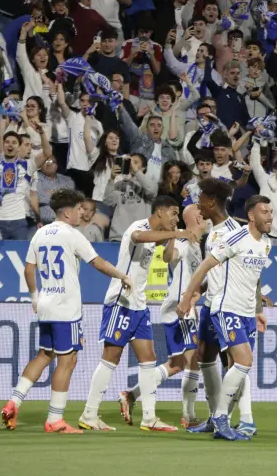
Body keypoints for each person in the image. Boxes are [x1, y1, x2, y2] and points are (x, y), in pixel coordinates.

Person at [1, 190, 133, 434]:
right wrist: (121, 275)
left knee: (43, 355)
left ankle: (13, 402)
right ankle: (55, 419)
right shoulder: (72, 235)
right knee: (67, 360)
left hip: (46, 303)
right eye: (79, 209)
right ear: (67, 212)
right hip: (66, 307)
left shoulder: (39, 234)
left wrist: (34, 296)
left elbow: (29, 269)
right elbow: (97, 262)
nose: (82, 213)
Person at [80, 195, 194, 432]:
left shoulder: (160, 235)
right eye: (173, 213)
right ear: (160, 212)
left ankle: (149, 418)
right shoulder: (139, 227)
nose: (176, 217)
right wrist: (174, 233)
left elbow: (165, 256)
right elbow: (138, 237)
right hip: (120, 301)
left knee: (149, 359)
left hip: (139, 306)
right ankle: (89, 414)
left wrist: (172, 235)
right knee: (110, 357)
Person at [176, 195, 275, 441]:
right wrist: (187, 297)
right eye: (265, 212)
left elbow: (255, 278)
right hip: (226, 308)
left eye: (271, 212)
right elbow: (204, 266)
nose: (270, 216)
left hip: (247, 312)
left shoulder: (266, 244)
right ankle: (220, 418)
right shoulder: (236, 238)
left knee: (237, 366)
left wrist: (257, 311)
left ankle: (220, 420)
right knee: (243, 361)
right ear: (251, 216)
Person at [120, 203, 207, 429]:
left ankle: (131, 395)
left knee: (177, 364)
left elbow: (196, 281)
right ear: (197, 219)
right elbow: (169, 257)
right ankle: (188, 416)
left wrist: (199, 293)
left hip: (182, 307)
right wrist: (172, 239)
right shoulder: (183, 242)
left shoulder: (196, 246)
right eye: (202, 214)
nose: (207, 217)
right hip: (179, 308)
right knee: (193, 361)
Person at [181, 178, 247, 435]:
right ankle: (214, 416)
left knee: (232, 361)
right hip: (212, 301)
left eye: (200, 202)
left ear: (211, 201)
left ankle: (228, 417)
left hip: (229, 304)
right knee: (203, 355)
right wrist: (202, 290)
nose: (198, 208)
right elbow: (218, 270)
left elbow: (241, 270)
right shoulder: (212, 232)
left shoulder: (232, 230)